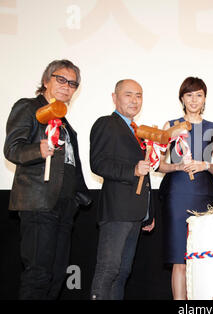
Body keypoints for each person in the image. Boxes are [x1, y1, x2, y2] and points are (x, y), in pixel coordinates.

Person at [3, 59, 91, 299]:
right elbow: (12, 149)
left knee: (56, 274)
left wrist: (76, 197)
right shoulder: (29, 107)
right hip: (38, 201)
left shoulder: (64, 122)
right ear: (46, 80)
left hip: (64, 205)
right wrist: (37, 150)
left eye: (72, 84)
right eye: (60, 79)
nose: (66, 86)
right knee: (38, 274)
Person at [158, 77, 213, 300]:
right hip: (177, 195)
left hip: (204, 195)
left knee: (203, 256)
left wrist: (204, 165)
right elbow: (159, 164)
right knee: (180, 258)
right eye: (189, 95)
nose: (194, 100)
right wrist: (178, 166)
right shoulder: (171, 125)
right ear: (182, 98)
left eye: (198, 95)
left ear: (204, 99)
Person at [89, 79, 155, 300]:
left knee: (122, 272)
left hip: (136, 213)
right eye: (128, 95)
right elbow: (98, 163)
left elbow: (145, 173)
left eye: (139, 95)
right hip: (117, 210)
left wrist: (149, 213)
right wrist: (132, 170)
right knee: (108, 269)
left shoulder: (140, 132)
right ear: (114, 97)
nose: (134, 100)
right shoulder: (106, 123)